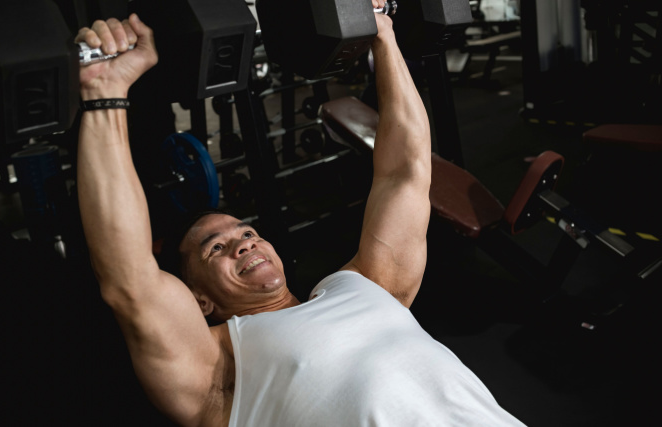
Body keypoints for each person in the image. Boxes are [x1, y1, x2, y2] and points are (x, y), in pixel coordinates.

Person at [75, 2, 525, 426]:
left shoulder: (368, 286)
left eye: (245, 231)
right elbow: (128, 278)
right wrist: (105, 93)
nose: (243, 242)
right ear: (199, 300)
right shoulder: (217, 368)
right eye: (217, 249)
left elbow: (406, 173)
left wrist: (381, 31)